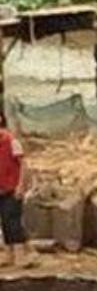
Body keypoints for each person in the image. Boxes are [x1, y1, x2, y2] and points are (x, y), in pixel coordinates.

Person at [0, 111, 35, 269]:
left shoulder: (12, 141)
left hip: (12, 188)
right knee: (4, 222)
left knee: (12, 219)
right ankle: (8, 254)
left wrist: (21, 186)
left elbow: (24, 165)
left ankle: (20, 255)